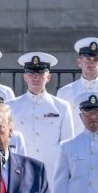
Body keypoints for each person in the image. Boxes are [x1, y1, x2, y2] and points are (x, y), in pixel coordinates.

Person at [6, 52, 74, 185]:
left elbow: (67, 144)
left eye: (40, 74)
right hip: (21, 169)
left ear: (48, 77)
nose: (35, 78)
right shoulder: (11, 106)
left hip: (52, 171)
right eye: (31, 74)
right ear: (25, 77)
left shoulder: (61, 107)